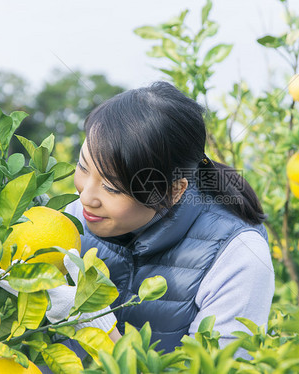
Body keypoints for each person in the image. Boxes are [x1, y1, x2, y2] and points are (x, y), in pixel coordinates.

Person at [61, 81, 274, 357]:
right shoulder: (75, 217)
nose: (86, 197)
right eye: (83, 167)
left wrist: (98, 325)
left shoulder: (238, 256)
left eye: (112, 188)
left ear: (174, 191)